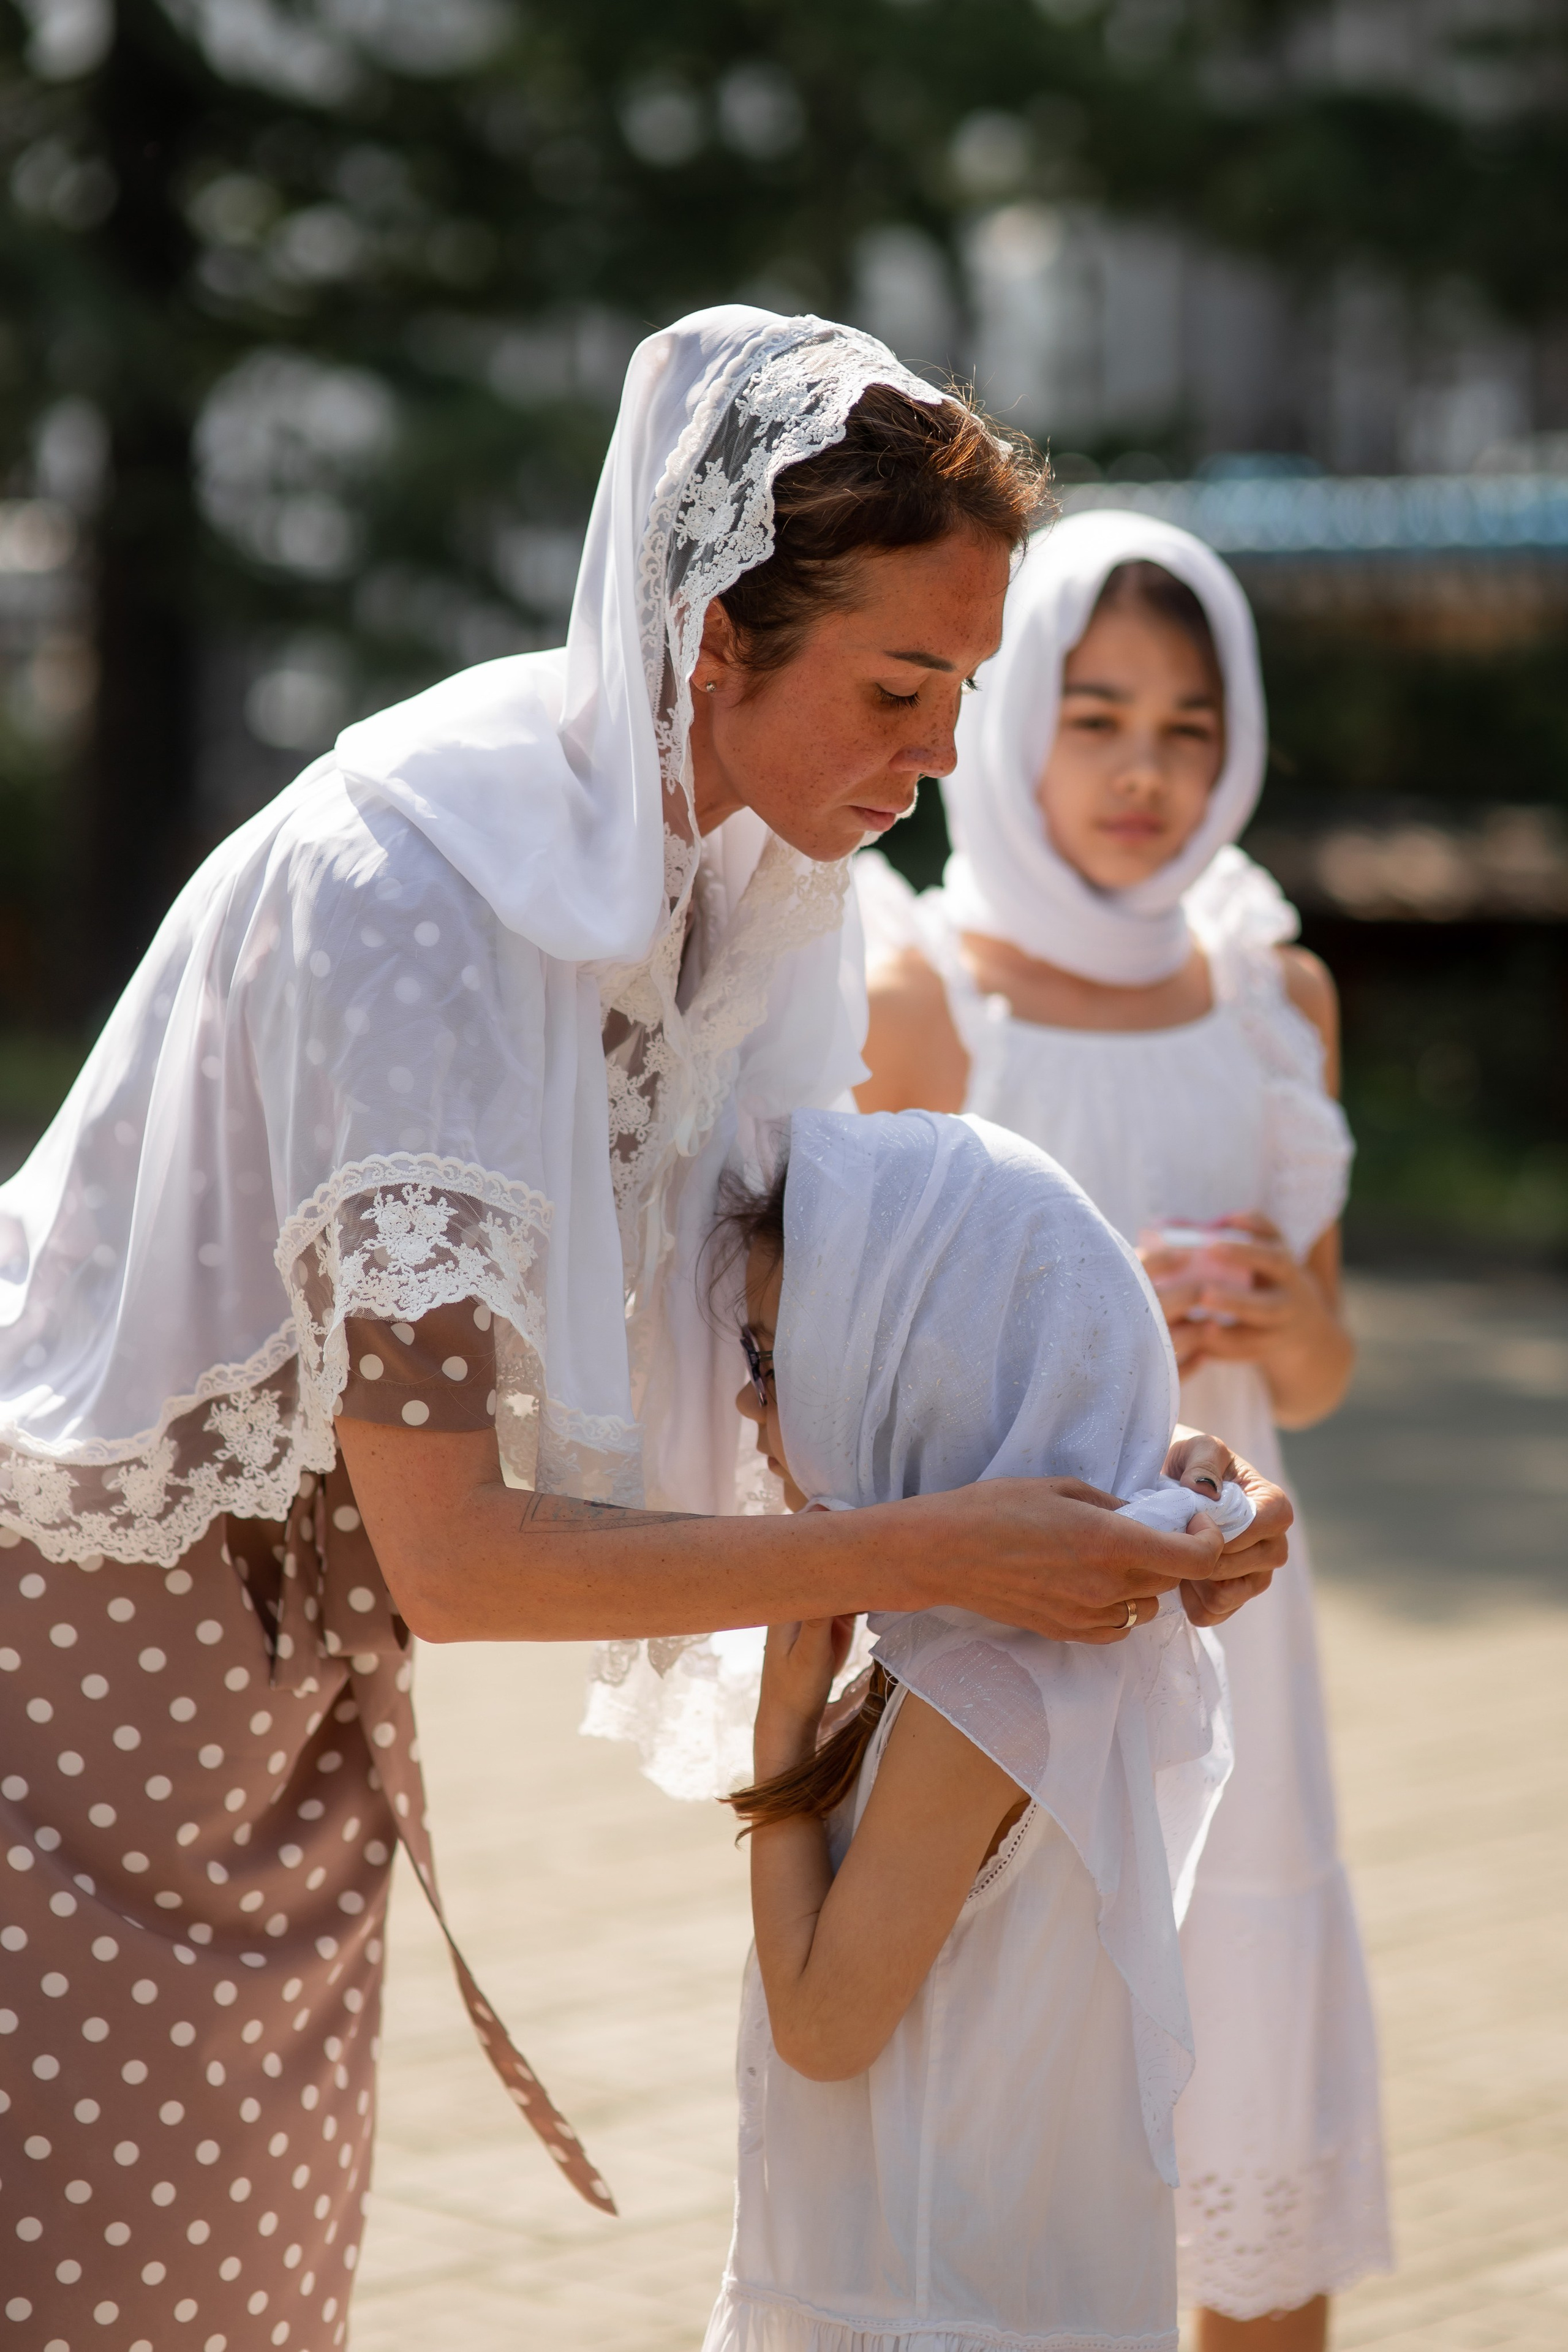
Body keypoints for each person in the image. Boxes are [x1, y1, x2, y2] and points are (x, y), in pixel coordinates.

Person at [0, 319, 1289, 2348]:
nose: (946, 749)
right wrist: (954, 1554)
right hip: (75, 1678)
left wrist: (1134, 1468)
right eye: (899, 682)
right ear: (712, 639)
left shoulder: (749, 883)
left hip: (298, 1702)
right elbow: (466, 1554)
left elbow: (821, 1294)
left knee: (234, 2303)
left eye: (963, 684)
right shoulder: (419, 894)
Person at [856, 510, 1391, 2351]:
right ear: (1009, 721)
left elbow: (1317, 1376)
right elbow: (851, 1395)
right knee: (1011, 2138)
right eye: (1094, 717)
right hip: (1018, 1636)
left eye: (1186, 723)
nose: (1146, 771)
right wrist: (1091, 1339)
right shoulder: (928, 997)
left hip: (1246, 1640)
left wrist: (1278, 1321)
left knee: (1252, 2112)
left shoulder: (1272, 997)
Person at [701, 1106, 1254, 2352]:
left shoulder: (974, 1689)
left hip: (919, 2300)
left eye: (774, 1350)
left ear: (909, 1370)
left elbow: (825, 2030)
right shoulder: (1017, 1633)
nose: (745, 1396)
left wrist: (782, 1732)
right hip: (963, 2273)